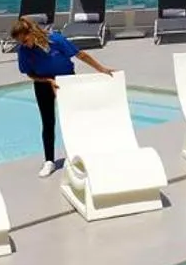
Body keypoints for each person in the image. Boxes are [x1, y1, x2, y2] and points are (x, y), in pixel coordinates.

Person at [8, 16, 114, 177]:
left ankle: (80, 154)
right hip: (44, 83)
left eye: (24, 40)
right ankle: (49, 161)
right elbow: (29, 73)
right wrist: (48, 80)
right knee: (48, 121)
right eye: (20, 43)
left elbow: (80, 55)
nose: (23, 45)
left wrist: (101, 69)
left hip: (67, 80)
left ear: (31, 33)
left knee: (74, 118)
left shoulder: (56, 40)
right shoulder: (24, 51)